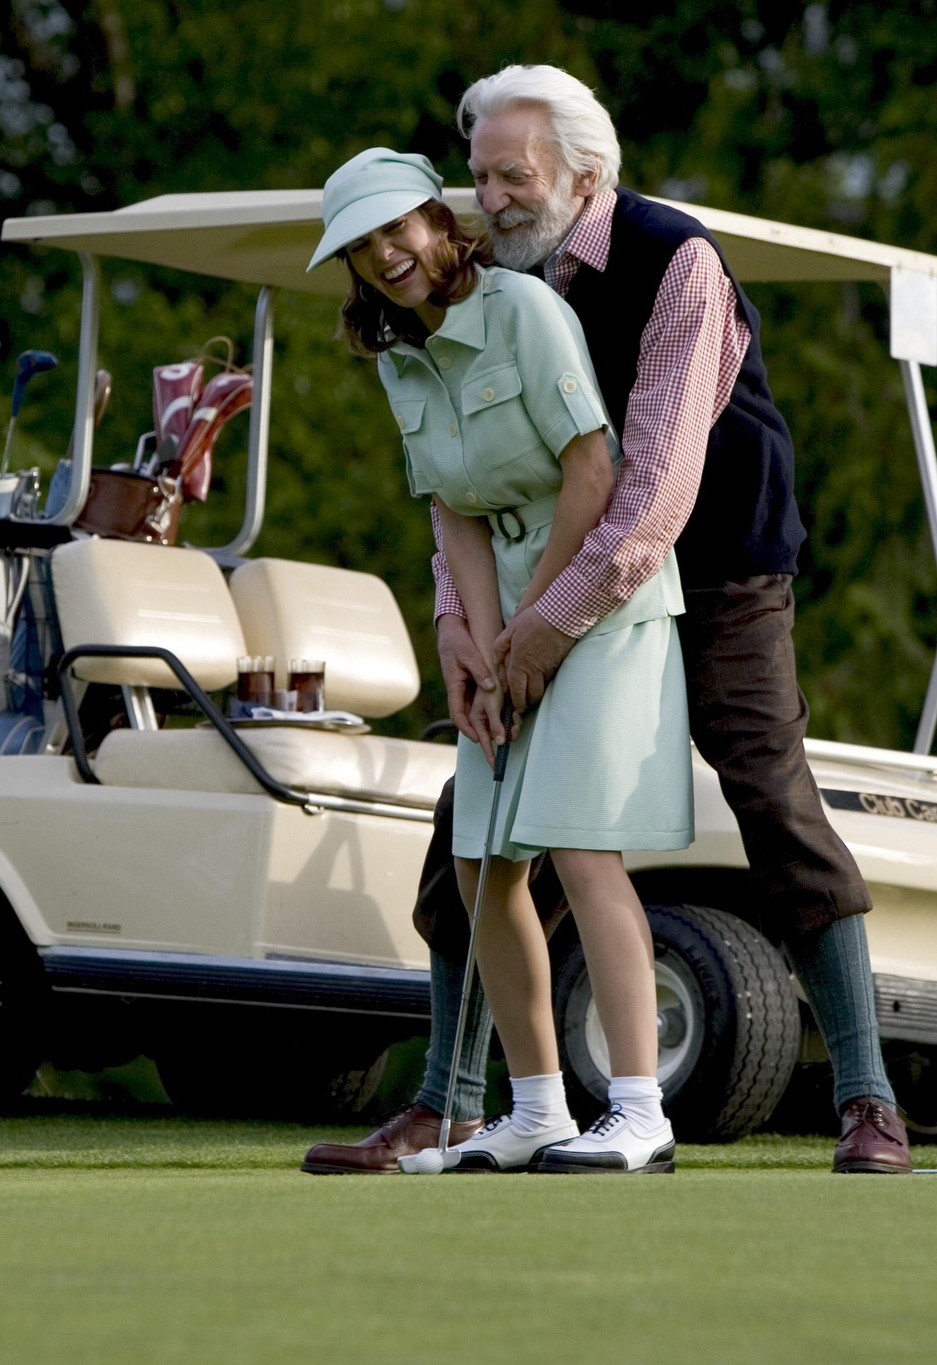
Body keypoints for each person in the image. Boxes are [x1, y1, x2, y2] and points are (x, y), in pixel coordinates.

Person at [302, 66, 912, 1176]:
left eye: (514, 176)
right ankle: (450, 1099)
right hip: (554, 574)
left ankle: (867, 1099)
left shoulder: (675, 262)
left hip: (714, 564)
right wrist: (462, 629)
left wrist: (535, 633)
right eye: (478, 177)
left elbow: (648, 490)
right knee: (472, 825)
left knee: (767, 789)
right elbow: (464, 480)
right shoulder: (473, 281)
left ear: (586, 173)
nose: (491, 199)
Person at [306, 147, 693, 1174]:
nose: (386, 255)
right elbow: (455, 512)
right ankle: (534, 1112)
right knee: (480, 863)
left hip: (598, 608)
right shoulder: (399, 356)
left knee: (578, 845)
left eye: (398, 229)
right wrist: (477, 651)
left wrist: (534, 627)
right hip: (512, 617)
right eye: (361, 246)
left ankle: (641, 1111)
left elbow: (591, 469)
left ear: (438, 222)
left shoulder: (520, 310)